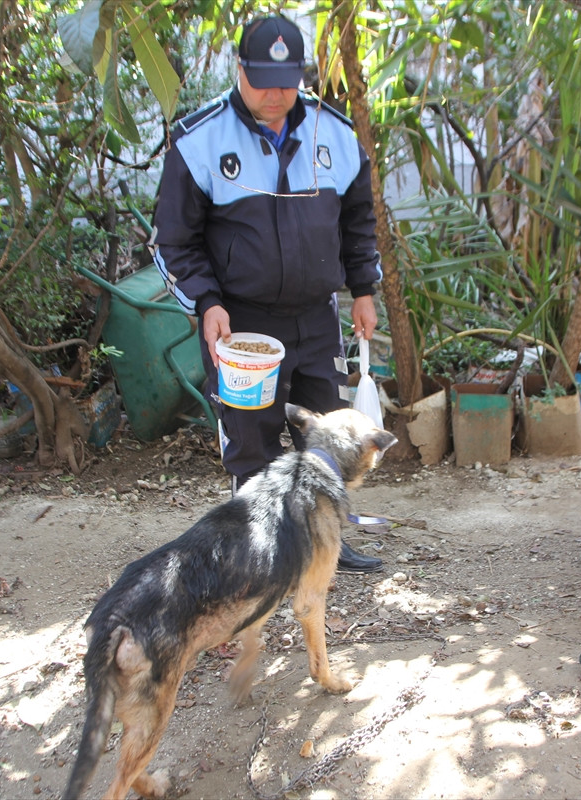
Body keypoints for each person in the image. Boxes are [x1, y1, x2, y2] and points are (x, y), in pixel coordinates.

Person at [150, 13, 383, 572]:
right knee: (250, 439)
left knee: (328, 436)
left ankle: (325, 543)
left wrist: (363, 289)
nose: (276, 94)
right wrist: (207, 302)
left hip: (316, 317)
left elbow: (358, 221)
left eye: (287, 81)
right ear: (238, 70)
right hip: (243, 325)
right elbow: (172, 242)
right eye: (262, 80)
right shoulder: (200, 140)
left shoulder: (337, 134)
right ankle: (258, 553)